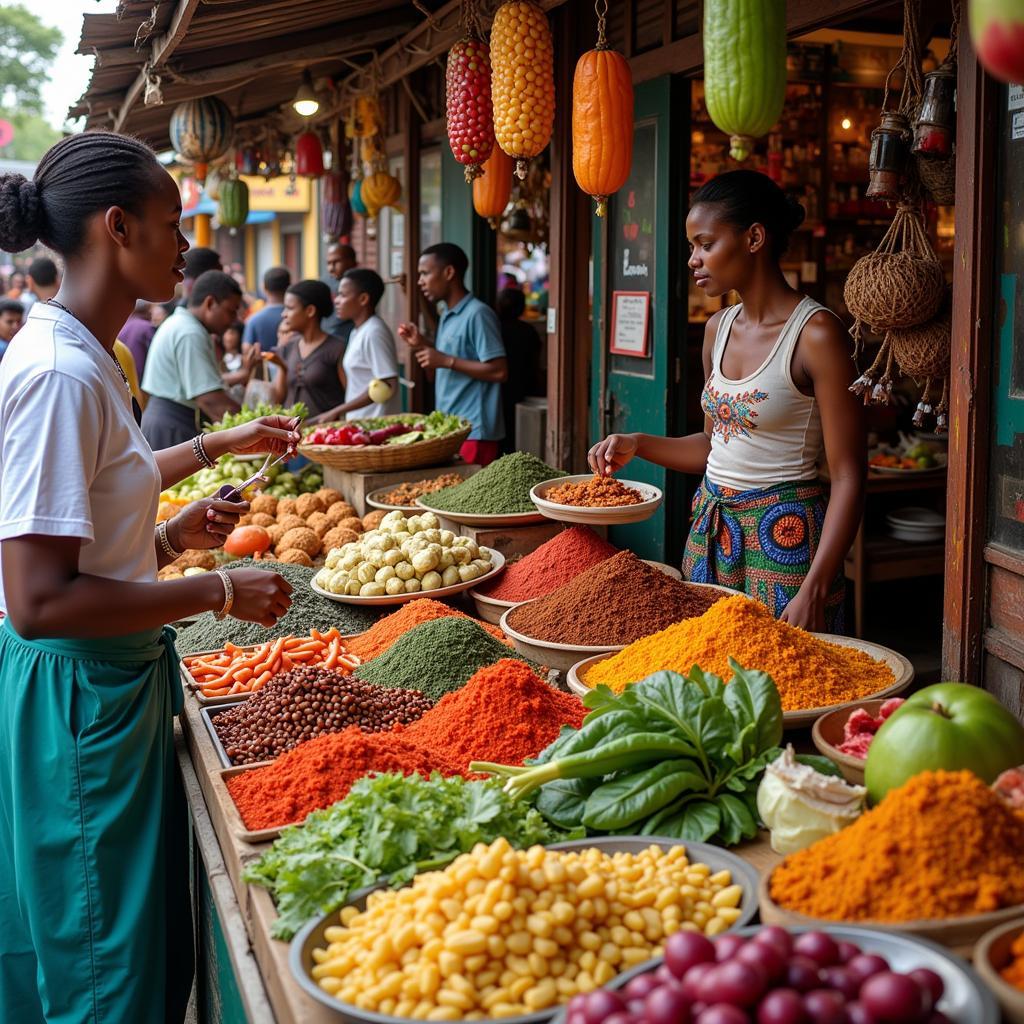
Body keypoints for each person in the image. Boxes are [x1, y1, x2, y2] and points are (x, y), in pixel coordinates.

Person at [0, 131, 297, 1024]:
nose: (186, 243)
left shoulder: (91, 354)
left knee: (108, 943)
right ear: (117, 227)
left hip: (109, 686)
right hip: (80, 697)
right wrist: (216, 589)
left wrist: (167, 532)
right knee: (101, 969)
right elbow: (40, 600)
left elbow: (93, 512)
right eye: (173, 224)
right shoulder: (58, 374)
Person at [589, 170, 865, 633]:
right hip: (711, 530)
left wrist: (815, 586)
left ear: (754, 237)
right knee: (707, 676)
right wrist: (638, 443)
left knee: (784, 689)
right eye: (692, 246)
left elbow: (849, 475)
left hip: (788, 542)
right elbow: (714, 445)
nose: (694, 259)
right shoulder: (717, 330)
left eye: (705, 244)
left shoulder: (816, 335)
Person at [398, 243, 508, 466]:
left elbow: (499, 370)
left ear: (449, 273)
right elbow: (453, 358)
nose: (420, 281)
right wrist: (422, 344)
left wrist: (445, 361)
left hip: (475, 432)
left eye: (425, 273)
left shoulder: (478, 313)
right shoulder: (448, 314)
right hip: (452, 429)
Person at [140, 269, 245, 448]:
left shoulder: (181, 324)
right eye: (231, 311)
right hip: (172, 427)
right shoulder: (190, 332)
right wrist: (251, 426)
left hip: (168, 421)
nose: (233, 320)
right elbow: (209, 398)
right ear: (210, 303)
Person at [310, 268, 400, 423]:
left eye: (343, 295)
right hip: (361, 424)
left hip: (376, 426)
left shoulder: (374, 332)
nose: (336, 300)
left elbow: (387, 384)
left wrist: (337, 411)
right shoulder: (357, 331)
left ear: (363, 299)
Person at [265, 279, 347, 418]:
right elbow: (278, 399)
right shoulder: (288, 347)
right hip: (291, 434)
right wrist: (282, 367)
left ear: (310, 311)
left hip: (325, 435)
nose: (283, 314)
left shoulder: (337, 349)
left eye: (290, 308)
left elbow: (350, 396)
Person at [496, 287, 542, 453]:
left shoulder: (495, 329)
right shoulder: (528, 331)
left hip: (501, 389)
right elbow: (536, 362)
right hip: (523, 386)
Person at [243, 266, 290, 353]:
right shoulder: (296, 317)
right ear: (289, 286)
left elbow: (247, 350)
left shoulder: (253, 320)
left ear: (264, 287)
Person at [322, 241, 357, 343]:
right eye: (328, 263)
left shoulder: (360, 285)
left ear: (352, 262)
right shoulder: (325, 283)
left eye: (336, 262)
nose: (331, 268)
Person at [118, 298, 156, 379]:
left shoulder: (123, 326)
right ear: (149, 309)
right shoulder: (146, 327)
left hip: (124, 377)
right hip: (140, 379)